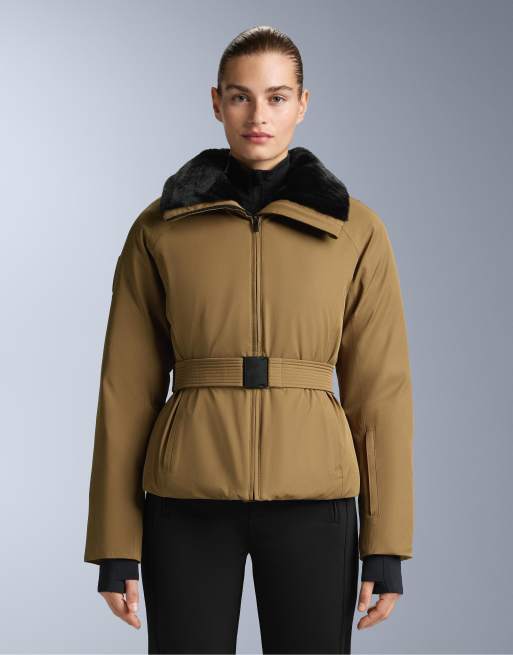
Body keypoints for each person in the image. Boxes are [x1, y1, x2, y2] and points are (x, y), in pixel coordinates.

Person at [84, 25, 414, 655]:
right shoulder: (160, 228)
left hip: (315, 499)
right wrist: (115, 544)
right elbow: (124, 390)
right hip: (186, 497)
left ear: (303, 104)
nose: (258, 115)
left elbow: (381, 394)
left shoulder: (356, 230)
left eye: (277, 97)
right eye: (240, 97)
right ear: (216, 103)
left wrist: (386, 543)